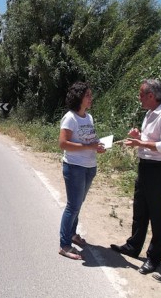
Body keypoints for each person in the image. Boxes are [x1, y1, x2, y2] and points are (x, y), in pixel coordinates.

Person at [110, 78, 161, 274]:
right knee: (140, 210)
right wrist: (139, 137)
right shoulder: (150, 114)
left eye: (141, 95)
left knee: (157, 215)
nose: (139, 98)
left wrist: (140, 144)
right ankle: (133, 246)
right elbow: (153, 141)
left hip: (159, 171)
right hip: (146, 167)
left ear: (151, 96)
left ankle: (154, 257)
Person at [58, 81, 105, 260]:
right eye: (87, 95)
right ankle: (64, 244)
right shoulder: (70, 118)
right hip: (74, 166)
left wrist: (97, 146)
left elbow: (90, 140)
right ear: (79, 97)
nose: (90, 98)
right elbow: (63, 144)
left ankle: (72, 234)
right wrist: (88, 146)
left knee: (78, 204)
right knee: (73, 205)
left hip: (89, 167)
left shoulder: (88, 117)